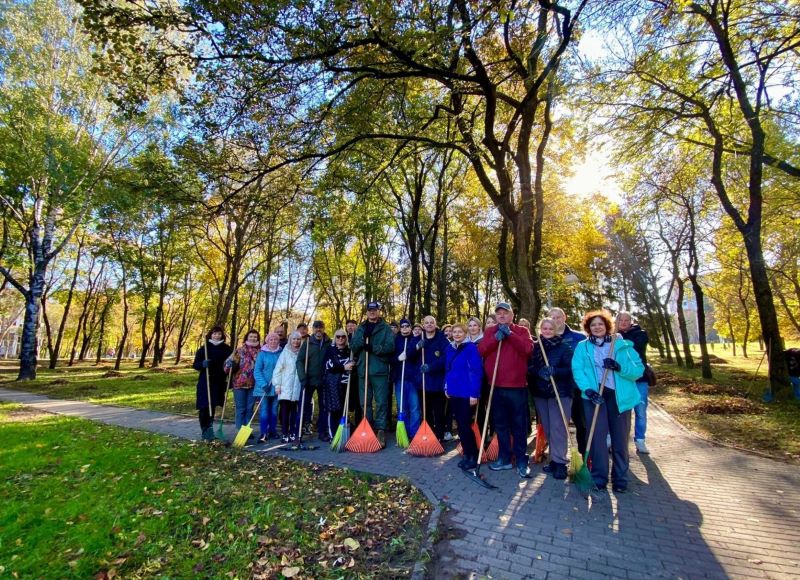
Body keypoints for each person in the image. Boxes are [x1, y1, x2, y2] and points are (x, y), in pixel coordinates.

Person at [571, 309, 643, 493]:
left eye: (600, 324)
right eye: (593, 325)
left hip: (619, 398)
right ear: (588, 328)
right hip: (594, 397)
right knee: (597, 439)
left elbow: (638, 370)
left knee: (620, 439)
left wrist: (619, 367)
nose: (597, 327)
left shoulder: (621, 345)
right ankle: (598, 477)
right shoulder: (583, 347)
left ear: (607, 326)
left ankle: (620, 479)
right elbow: (578, 369)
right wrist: (588, 389)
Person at [478, 302, 534, 478]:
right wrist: (496, 338)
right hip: (495, 386)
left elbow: (527, 349)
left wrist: (510, 335)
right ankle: (504, 458)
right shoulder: (490, 331)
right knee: (500, 425)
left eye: (505, 313)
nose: (501, 316)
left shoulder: (521, 331)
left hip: (516, 387)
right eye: (499, 313)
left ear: (512, 315)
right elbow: (481, 350)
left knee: (519, 425)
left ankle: (521, 459)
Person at [528, 318, 574, 480]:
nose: (547, 331)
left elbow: (570, 369)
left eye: (550, 329)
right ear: (540, 330)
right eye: (544, 328)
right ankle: (553, 460)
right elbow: (529, 367)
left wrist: (555, 371)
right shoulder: (535, 347)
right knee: (548, 428)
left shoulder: (563, 347)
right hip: (541, 393)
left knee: (558, 428)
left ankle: (560, 463)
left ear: (555, 330)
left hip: (559, 393)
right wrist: (537, 371)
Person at [350, 301, 395, 448]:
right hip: (363, 370)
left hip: (379, 370)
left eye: (374, 310)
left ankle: (380, 429)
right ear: (367, 312)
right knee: (365, 402)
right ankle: (367, 426)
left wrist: (374, 347)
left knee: (381, 401)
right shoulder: (361, 328)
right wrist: (363, 340)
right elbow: (353, 346)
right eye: (369, 310)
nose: (372, 312)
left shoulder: (385, 328)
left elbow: (390, 347)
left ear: (379, 311)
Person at [549, 307, 588, 454]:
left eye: (558, 317)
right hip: (556, 389)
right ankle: (558, 459)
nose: (555, 320)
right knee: (557, 426)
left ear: (564, 318)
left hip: (577, 388)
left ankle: (585, 458)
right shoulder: (545, 338)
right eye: (552, 317)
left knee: (582, 424)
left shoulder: (579, 338)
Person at [445, 323, 483, 470]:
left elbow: (476, 371)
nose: (457, 334)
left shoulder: (471, 348)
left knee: (465, 425)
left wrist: (474, 393)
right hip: (454, 391)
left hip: (466, 392)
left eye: (460, 332)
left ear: (465, 333)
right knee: (460, 426)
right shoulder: (449, 348)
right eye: (454, 332)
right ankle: (466, 454)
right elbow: (448, 369)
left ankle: (472, 455)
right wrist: (446, 386)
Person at [616, 311, 650, 454]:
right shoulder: (612, 336)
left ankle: (640, 440)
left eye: (626, 320)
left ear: (631, 321)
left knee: (640, 410)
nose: (623, 322)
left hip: (639, 379)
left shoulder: (640, 334)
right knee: (621, 411)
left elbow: (633, 347)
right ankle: (616, 439)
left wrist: (618, 339)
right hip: (621, 379)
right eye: (620, 320)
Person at [193, 326, 233, 441]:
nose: (217, 336)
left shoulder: (226, 349)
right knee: (204, 406)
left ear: (222, 335)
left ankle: (209, 429)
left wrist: (231, 365)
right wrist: (202, 364)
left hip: (218, 382)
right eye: (215, 334)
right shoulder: (204, 348)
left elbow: (232, 364)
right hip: (205, 381)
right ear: (211, 335)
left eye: (219, 334)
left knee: (212, 406)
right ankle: (205, 430)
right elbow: (195, 365)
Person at [416, 315, 450, 441]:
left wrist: (431, 367)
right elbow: (410, 354)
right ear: (423, 325)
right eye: (426, 323)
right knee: (426, 412)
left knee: (438, 412)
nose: (429, 324)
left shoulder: (442, 340)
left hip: (437, 383)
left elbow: (445, 358)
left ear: (435, 324)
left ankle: (439, 437)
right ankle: (428, 436)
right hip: (423, 383)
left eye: (432, 322)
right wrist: (417, 347)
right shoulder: (419, 338)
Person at [296, 320, 331, 440]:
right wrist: (302, 377)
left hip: (324, 380)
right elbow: (299, 361)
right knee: (303, 406)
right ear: (313, 329)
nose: (318, 330)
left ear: (324, 328)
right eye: (316, 328)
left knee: (324, 407)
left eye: (320, 327)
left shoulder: (329, 343)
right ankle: (298, 433)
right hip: (308, 380)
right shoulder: (307, 343)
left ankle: (322, 432)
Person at [226, 329, 261, 433]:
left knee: (250, 409)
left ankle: (246, 431)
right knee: (241, 409)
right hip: (239, 384)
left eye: (255, 336)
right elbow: (226, 367)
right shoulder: (239, 350)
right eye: (251, 336)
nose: (253, 338)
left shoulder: (261, 351)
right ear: (247, 337)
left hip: (253, 385)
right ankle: (239, 431)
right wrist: (230, 365)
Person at [322, 329, 354, 440]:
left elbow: (354, 364)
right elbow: (328, 366)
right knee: (333, 410)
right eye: (338, 337)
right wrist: (343, 367)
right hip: (333, 385)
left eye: (343, 337)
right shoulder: (330, 350)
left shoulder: (350, 351)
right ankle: (333, 435)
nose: (340, 339)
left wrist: (353, 364)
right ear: (335, 338)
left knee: (344, 410)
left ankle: (343, 435)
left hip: (347, 384)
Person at [393, 318, 422, 438]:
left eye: (407, 326)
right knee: (402, 407)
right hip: (399, 378)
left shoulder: (415, 340)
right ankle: (403, 433)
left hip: (413, 379)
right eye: (403, 326)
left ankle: (414, 433)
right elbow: (390, 359)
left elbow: (419, 357)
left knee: (414, 408)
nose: (405, 328)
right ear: (400, 328)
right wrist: (397, 359)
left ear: (410, 327)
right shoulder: (395, 340)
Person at [273, 331, 303, 442]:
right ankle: (285, 433)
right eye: (294, 339)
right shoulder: (285, 353)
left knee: (294, 412)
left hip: (297, 387)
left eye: (298, 339)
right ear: (290, 340)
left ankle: (292, 433)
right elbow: (277, 370)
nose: (296, 341)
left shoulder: (302, 352)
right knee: (285, 413)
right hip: (285, 387)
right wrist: (277, 385)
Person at [254, 332, 282, 442]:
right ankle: (263, 432)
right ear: (267, 341)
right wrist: (263, 384)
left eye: (275, 339)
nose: (273, 341)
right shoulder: (262, 354)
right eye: (271, 340)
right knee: (264, 410)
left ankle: (273, 430)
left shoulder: (281, 353)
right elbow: (257, 371)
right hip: (264, 388)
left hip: (276, 386)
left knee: (274, 409)